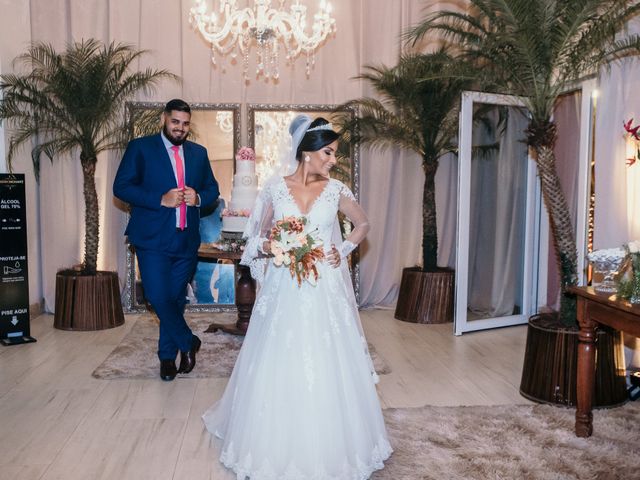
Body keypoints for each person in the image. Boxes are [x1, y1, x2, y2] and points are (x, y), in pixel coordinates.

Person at [202, 115, 392, 479]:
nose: (333, 159)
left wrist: (345, 246)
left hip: (325, 287)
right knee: (281, 354)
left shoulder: (337, 190)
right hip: (285, 287)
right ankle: (271, 436)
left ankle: (336, 440)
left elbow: (364, 223)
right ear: (306, 153)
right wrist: (274, 244)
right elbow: (253, 241)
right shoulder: (275, 189)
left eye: (335, 153)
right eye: (328, 152)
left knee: (328, 355)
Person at [113, 99, 219, 381]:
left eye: (185, 124)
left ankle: (166, 359)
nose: (180, 128)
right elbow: (121, 186)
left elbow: (212, 190)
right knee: (157, 296)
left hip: (186, 241)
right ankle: (188, 341)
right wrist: (160, 199)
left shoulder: (198, 153)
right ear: (164, 119)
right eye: (175, 122)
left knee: (173, 300)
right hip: (151, 239)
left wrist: (198, 197)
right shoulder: (141, 147)